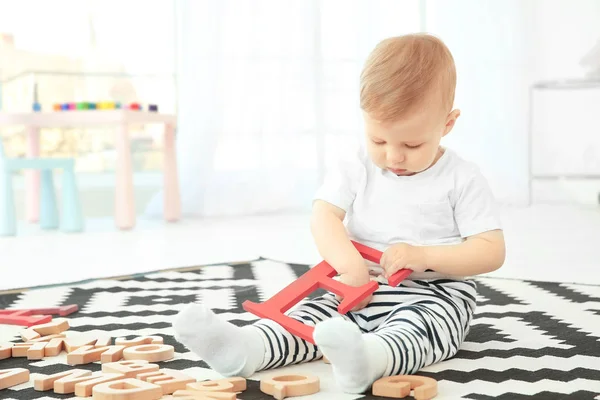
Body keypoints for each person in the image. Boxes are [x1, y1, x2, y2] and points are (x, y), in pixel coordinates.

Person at [172, 33, 506, 394]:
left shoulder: (462, 177)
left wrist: (424, 257)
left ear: (447, 124)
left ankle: (368, 359)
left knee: (420, 329)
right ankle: (245, 348)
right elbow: (324, 216)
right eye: (378, 140)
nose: (393, 157)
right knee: (313, 319)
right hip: (358, 284)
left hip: (434, 292)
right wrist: (350, 266)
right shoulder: (356, 163)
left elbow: (490, 249)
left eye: (412, 144)